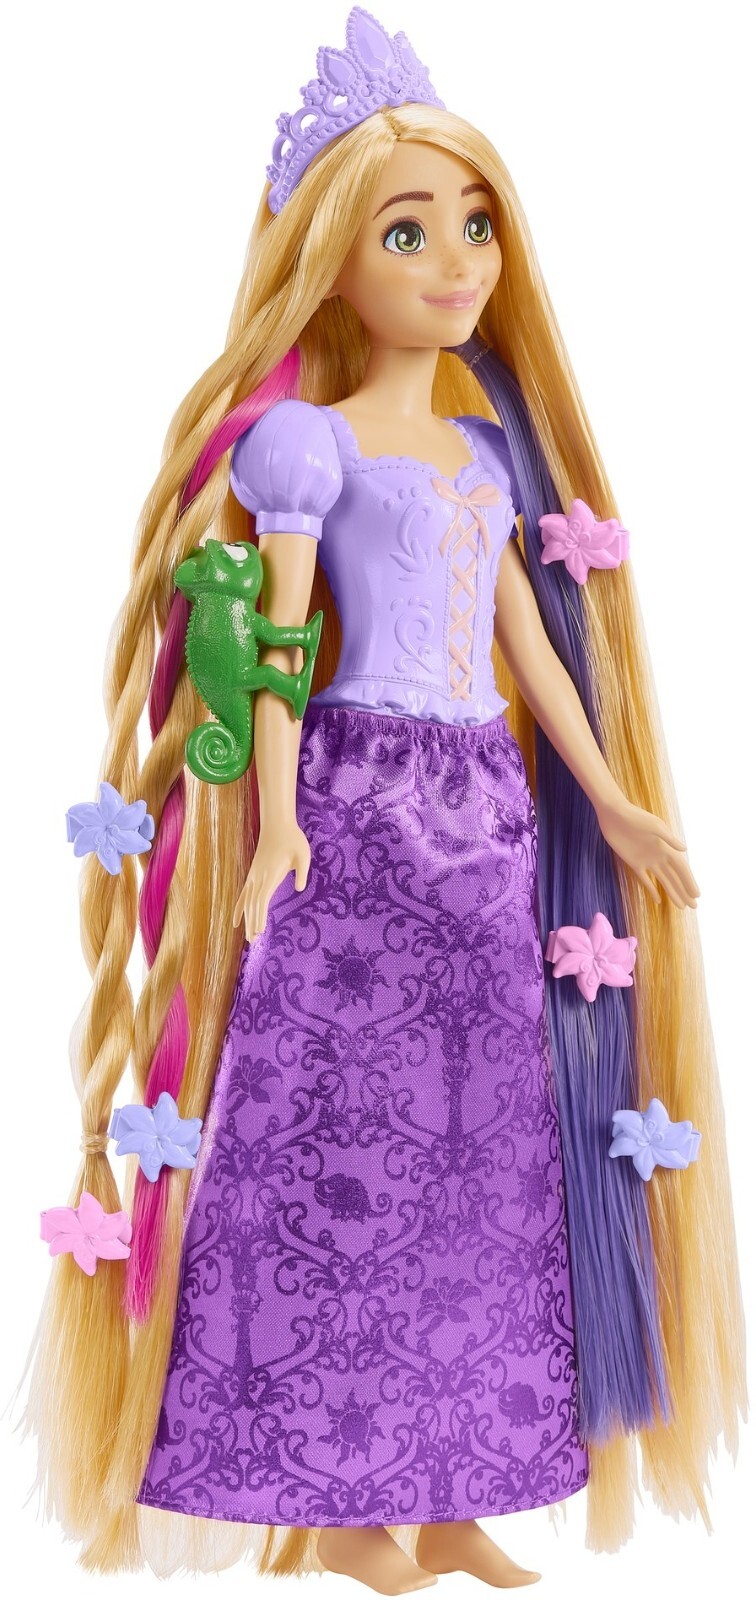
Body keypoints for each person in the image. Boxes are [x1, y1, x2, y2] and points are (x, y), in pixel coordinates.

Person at [19, 7, 746, 1594]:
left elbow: (527, 645)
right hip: (358, 816)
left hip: (485, 821)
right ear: (332, 262)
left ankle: (460, 1492)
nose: (456, 260)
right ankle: (341, 1513)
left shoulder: (486, 453)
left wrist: (610, 798)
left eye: (475, 224)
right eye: (408, 231)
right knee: (341, 1152)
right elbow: (281, 651)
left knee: (486, 1164)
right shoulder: (309, 445)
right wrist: (279, 817)